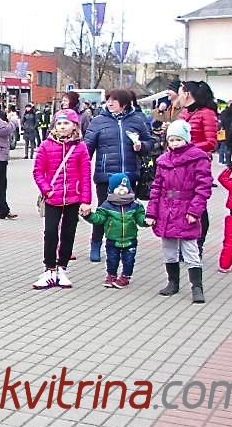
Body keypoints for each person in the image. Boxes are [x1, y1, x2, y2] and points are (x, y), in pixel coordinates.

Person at [84, 89, 154, 262]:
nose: (109, 103)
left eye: (113, 100)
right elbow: (87, 148)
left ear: (124, 103)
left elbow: (150, 142)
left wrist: (141, 146)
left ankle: (124, 245)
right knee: (103, 210)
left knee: (126, 213)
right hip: (105, 175)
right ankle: (96, 244)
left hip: (129, 176)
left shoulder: (137, 120)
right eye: (108, 100)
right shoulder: (98, 121)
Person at [146, 120, 213, 304]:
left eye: (178, 139)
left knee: (190, 249)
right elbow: (156, 188)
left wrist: (195, 211)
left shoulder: (198, 158)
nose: (174, 143)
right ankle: (172, 282)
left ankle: (196, 286)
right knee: (169, 249)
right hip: (166, 209)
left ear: (186, 139)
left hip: (186, 208)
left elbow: (203, 187)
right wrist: (152, 213)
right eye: (171, 140)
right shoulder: (163, 160)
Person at [31, 109, 92, 290]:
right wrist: (47, 190)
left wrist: (86, 200)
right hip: (53, 197)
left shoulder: (80, 147)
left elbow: (86, 174)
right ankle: (49, 268)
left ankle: (62, 268)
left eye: (66, 123)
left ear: (74, 126)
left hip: (73, 197)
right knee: (50, 232)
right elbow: (38, 172)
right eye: (59, 123)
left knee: (68, 233)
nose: (62, 126)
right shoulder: (45, 145)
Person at [82, 173, 147, 289]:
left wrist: (146, 221)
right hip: (112, 239)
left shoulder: (135, 205)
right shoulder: (107, 206)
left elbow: (140, 218)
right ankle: (111, 275)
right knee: (112, 259)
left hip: (130, 239)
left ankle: (125, 277)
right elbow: (98, 219)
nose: (121, 189)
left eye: (124, 187)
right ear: (112, 189)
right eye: (118, 187)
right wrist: (88, 215)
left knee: (129, 260)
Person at [176, 81, 219, 253]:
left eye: (180, 92)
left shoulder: (206, 113)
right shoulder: (184, 112)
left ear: (187, 93)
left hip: (197, 166)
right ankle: (182, 241)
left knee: (198, 205)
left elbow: (211, 142)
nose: (178, 96)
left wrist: (187, 149)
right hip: (179, 165)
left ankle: (197, 245)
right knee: (180, 203)